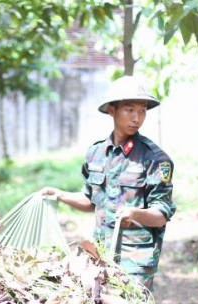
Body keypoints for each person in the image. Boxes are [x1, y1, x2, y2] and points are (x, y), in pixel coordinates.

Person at [41, 76, 175, 292]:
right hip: (100, 254)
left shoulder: (155, 159)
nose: (137, 117)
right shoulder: (96, 153)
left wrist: (135, 213)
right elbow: (91, 200)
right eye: (129, 110)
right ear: (112, 110)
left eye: (142, 110)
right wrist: (58, 194)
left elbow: (160, 216)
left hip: (135, 260)